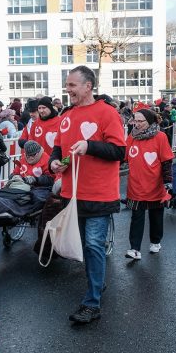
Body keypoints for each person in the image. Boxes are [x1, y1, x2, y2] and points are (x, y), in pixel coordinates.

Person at [49, 66, 126, 325]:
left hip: (100, 194)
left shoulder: (107, 113)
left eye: (72, 85)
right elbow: (58, 149)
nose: (67, 89)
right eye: (67, 85)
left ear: (88, 86)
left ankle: (92, 303)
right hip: (73, 194)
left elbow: (118, 151)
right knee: (85, 245)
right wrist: (55, 164)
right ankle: (97, 282)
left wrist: (90, 145)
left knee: (93, 245)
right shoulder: (66, 116)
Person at [124, 109, 173, 260]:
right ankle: (134, 249)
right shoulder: (132, 137)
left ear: (150, 121)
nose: (137, 124)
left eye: (140, 121)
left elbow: (166, 161)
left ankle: (155, 241)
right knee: (136, 217)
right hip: (136, 185)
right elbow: (123, 156)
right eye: (135, 121)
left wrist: (168, 182)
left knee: (156, 216)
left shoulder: (160, 137)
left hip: (155, 185)